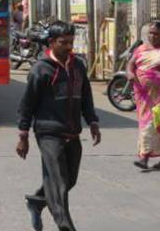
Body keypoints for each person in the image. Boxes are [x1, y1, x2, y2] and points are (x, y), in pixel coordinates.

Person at [17, 21, 101, 231]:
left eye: (71, 42)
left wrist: (92, 121)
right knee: (58, 183)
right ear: (52, 42)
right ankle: (65, 227)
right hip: (48, 133)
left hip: (72, 132)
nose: (69, 47)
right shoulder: (40, 69)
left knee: (69, 180)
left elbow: (86, 96)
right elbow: (27, 104)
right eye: (64, 42)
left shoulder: (78, 65)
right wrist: (23, 135)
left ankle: (37, 200)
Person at [127, 21, 160, 170]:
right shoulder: (141, 49)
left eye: (156, 33)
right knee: (157, 125)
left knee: (149, 123)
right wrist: (130, 73)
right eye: (150, 33)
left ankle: (144, 157)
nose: (152, 36)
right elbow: (130, 64)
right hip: (142, 94)